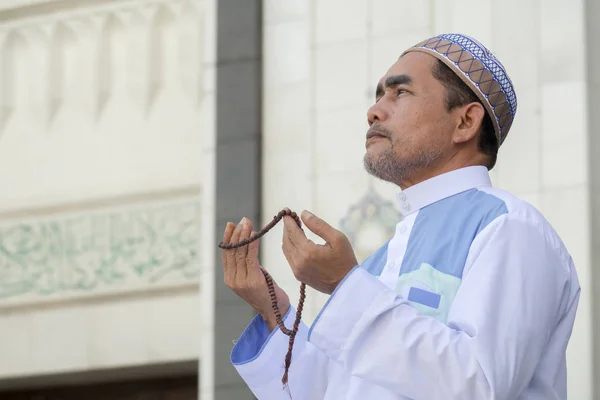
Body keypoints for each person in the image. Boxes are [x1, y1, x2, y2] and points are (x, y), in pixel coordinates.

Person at [220, 33, 580, 399]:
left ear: (465, 123)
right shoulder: (379, 264)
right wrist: (272, 309)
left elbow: (479, 385)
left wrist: (346, 285)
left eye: (400, 93)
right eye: (379, 95)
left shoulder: (510, 228)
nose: (375, 110)